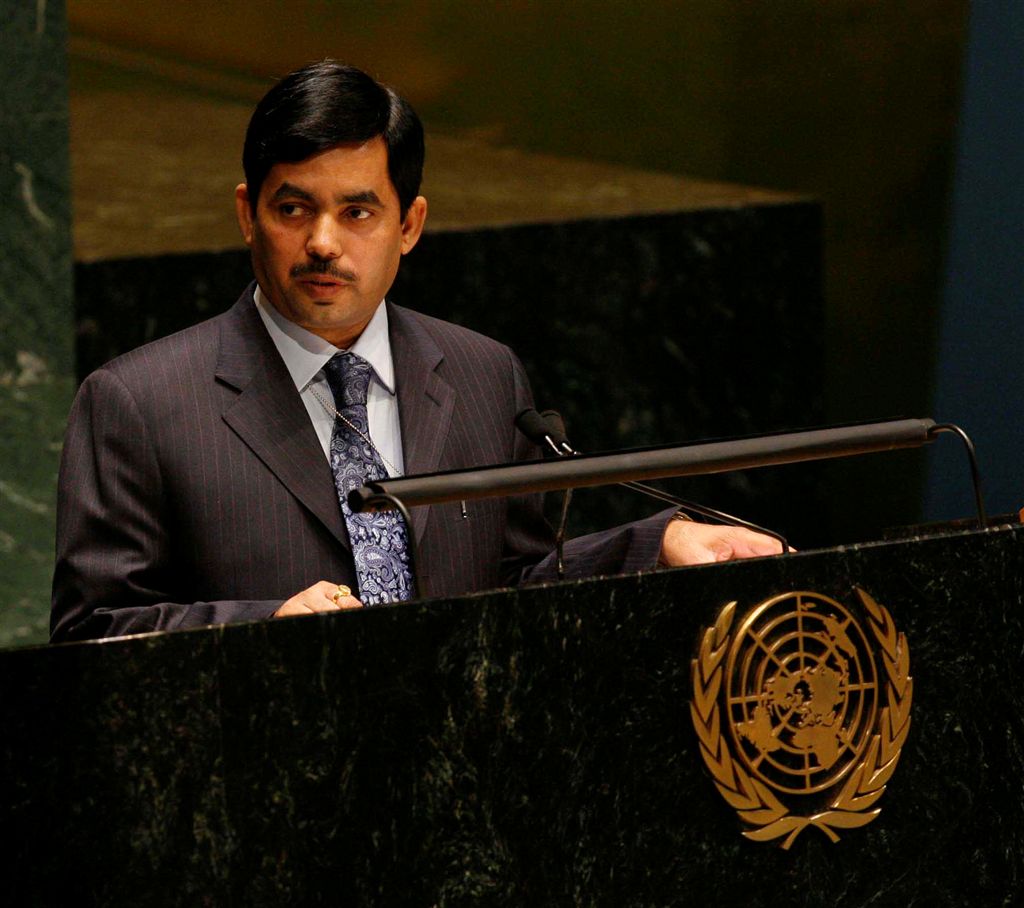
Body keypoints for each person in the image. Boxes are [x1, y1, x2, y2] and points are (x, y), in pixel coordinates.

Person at [50, 61, 781, 642]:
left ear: (410, 224)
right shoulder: (140, 403)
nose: (323, 243)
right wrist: (260, 631)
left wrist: (659, 545)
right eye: (293, 208)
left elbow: (520, 581)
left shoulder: (482, 374)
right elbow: (93, 632)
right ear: (248, 214)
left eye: (358, 211)